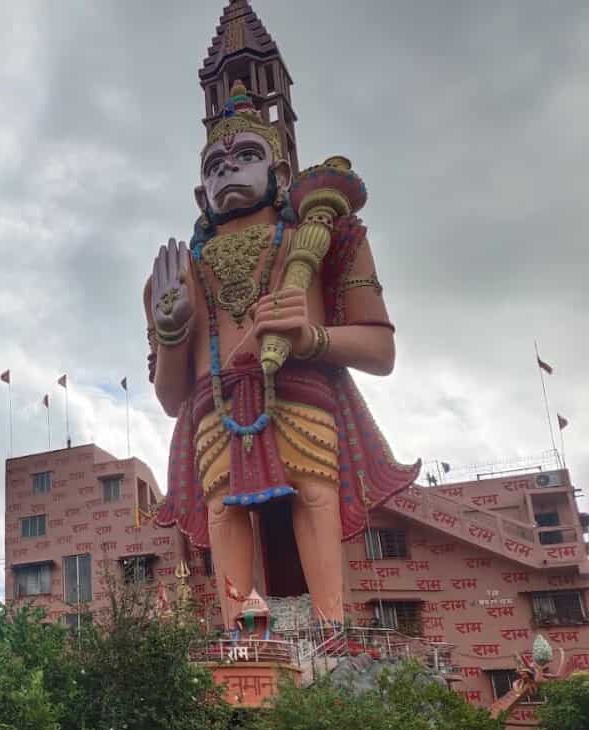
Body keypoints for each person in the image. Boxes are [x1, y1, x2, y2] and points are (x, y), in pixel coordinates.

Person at [145, 82, 418, 625]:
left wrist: (311, 338)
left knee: (314, 494)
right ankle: (236, 631)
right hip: (213, 404)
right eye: (215, 166)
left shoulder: (321, 237)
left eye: (247, 155)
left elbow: (380, 350)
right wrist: (173, 333)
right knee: (224, 510)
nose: (229, 171)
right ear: (202, 194)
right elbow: (172, 397)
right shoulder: (180, 272)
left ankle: (331, 623)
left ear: (281, 174)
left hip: (301, 393)